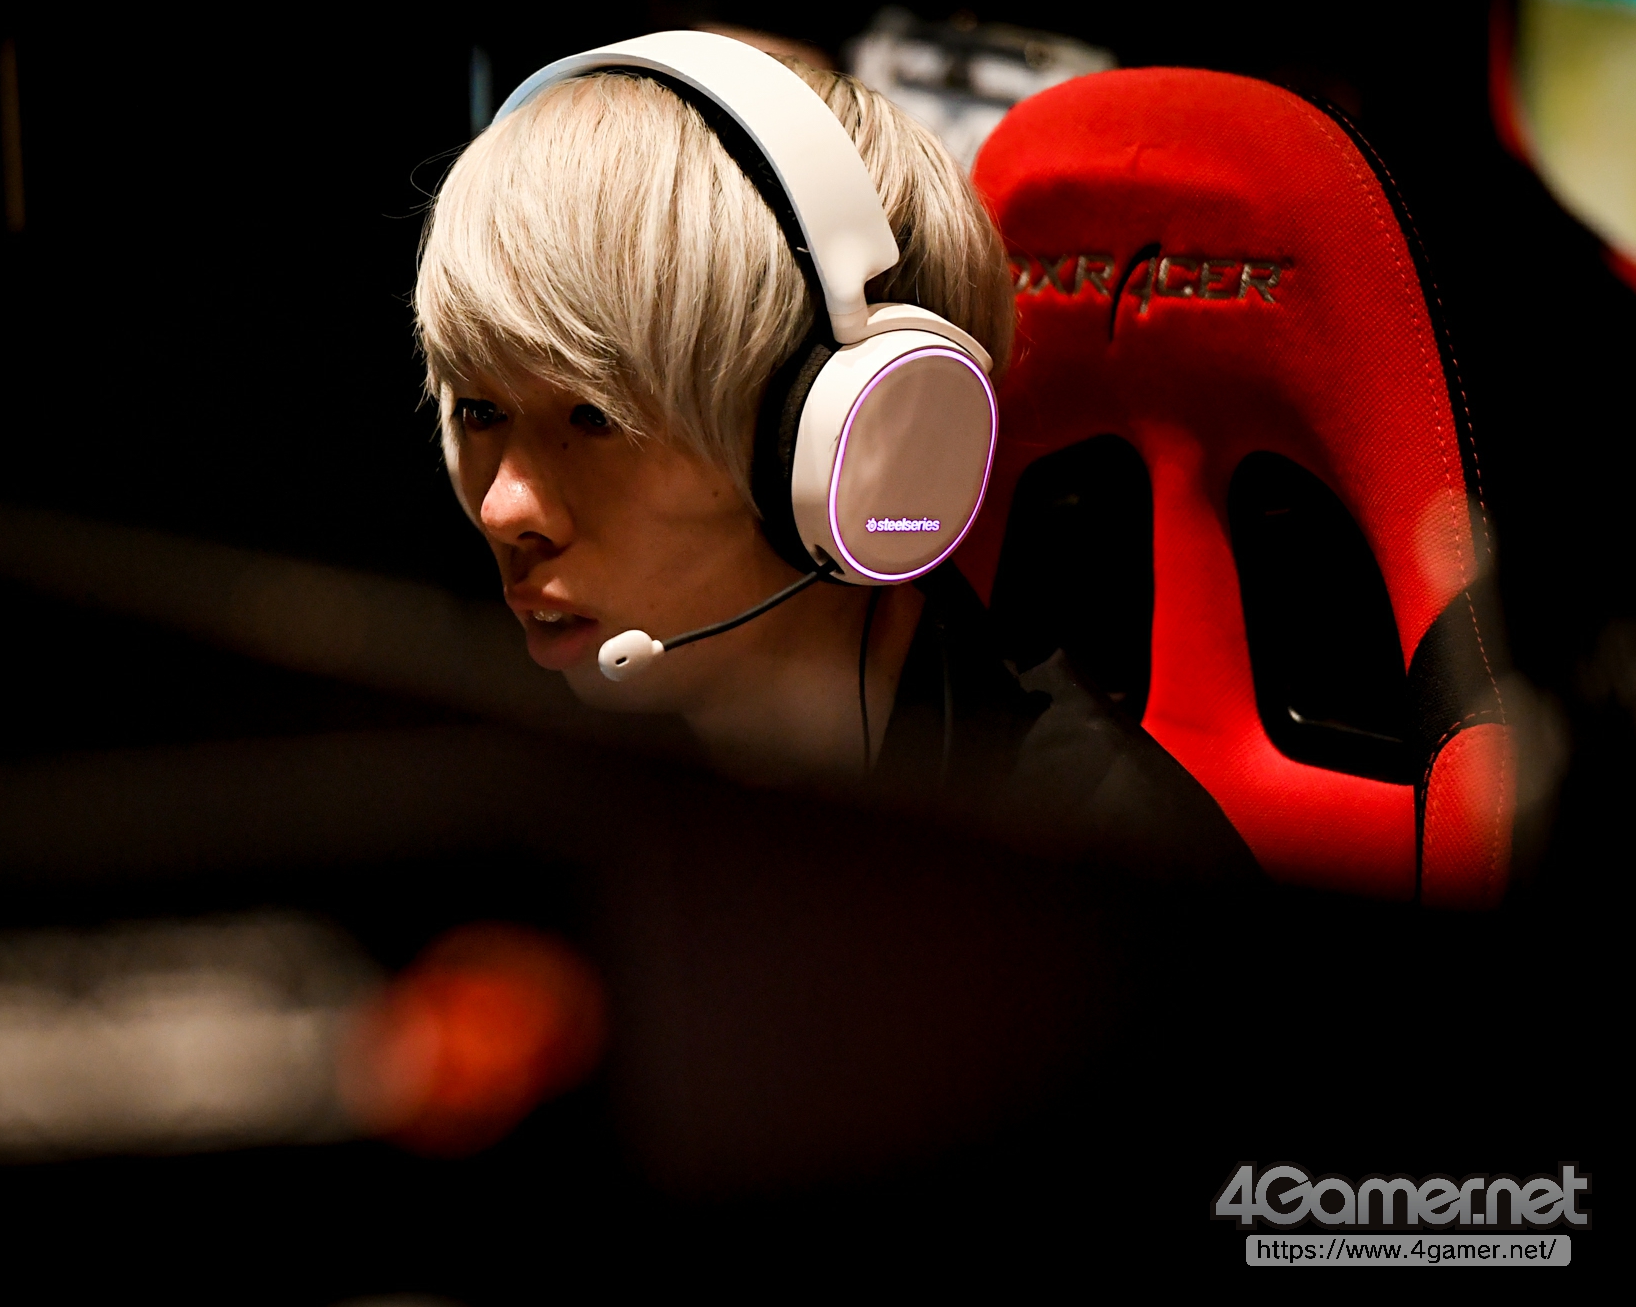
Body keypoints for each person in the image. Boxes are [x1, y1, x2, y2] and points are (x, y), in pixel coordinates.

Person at [414, 50, 1255, 883]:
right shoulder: (510, 799)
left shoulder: (1111, 878)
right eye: (480, 412)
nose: (503, 509)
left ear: (857, 433)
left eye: (596, 418)